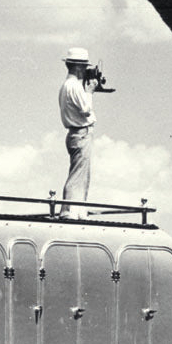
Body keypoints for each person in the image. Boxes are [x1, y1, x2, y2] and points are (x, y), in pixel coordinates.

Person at [58, 46, 99, 219]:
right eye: (83, 67)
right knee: (78, 175)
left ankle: (78, 210)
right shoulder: (74, 86)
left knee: (81, 175)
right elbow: (85, 109)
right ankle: (69, 212)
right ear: (77, 67)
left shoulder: (67, 86)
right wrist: (89, 92)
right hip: (81, 132)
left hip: (76, 133)